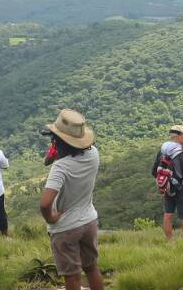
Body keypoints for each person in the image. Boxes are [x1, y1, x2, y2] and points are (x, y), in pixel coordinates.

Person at [40, 109, 104, 290]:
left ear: (58, 141)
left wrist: (51, 218)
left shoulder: (60, 167)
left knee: (72, 277)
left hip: (65, 228)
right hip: (89, 221)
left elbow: (45, 204)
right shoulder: (94, 154)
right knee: (91, 268)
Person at [151, 125, 183, 242]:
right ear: (178, 136)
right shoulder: (181, 154)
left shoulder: (162, 151)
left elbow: (154, 171)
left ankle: (169, 242)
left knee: (168, 215)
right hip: (182, 190)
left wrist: (165, 183)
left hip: (167, 189)